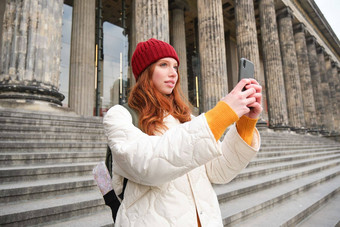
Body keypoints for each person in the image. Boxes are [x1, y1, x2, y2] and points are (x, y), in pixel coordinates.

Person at [103, 38, 262, 227]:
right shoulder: (120, 115)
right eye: (163, 65)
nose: (173, 73)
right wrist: (221, 114)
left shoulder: (188, 119)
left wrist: (245, 123)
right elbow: (148, 164)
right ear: (145, 71)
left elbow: (220, 171)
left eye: (175, 66)